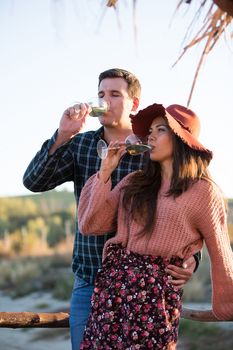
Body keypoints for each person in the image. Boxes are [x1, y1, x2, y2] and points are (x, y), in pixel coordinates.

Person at [23, 69, 197, 349]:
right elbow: (33, 181)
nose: (106, 100)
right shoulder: (81, 145)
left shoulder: (152, 151)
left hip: (143, 287)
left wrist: (193, 259)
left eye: (115, 94)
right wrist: (62, 135)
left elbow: (184, 210)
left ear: (135, 104)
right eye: (102, 94)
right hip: (89, 280)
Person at [78, 103, 233, 349]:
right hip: (113, 291)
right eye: (149, 130)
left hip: (154, 297)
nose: (149, 135)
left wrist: (227, 305)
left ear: (182, 139)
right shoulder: (135, 182)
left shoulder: (204, 192)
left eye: (160, 129)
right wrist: (105, 171)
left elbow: (221, 251)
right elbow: (90, 223)